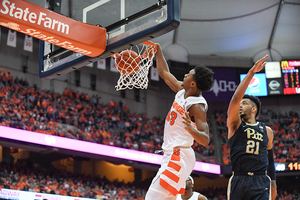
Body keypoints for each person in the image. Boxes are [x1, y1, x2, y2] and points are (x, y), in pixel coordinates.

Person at [145, 43, 214, 200]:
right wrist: (158, 50)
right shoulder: (182, 92)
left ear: (193, 83)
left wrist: (191, 129)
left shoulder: (197, 106)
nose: (185, 75)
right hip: (175, 155)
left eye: (189, 74)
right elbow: (163, 72)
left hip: (178, 155)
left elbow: (205, 139)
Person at [226, 55, 277, 200]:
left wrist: (273, 184)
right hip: (239, 178)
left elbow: (270, 160)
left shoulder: (267, 131)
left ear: (254, 109)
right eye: (240, 104)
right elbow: (235, 99)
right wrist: (251, 73)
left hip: (261, 180)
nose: (240, 105)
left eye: (245, 103)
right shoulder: (235, 124)